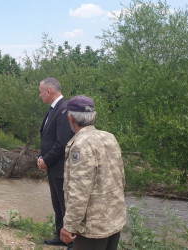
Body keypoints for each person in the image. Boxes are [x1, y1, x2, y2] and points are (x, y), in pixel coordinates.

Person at [59, 95, 126, 250]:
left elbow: (79, 191)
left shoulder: (80, 145)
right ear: (94, 116)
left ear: (71, 118)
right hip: (114, 220)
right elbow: (121, 179)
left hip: (92, 228)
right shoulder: (109, 138)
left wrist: (69, 226)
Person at [37, 77, 75, 247]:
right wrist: (42, 157)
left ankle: (72, 242)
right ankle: (60, 236)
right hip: (53, 167)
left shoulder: (64, 109)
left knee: (66, 205)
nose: (40, 95)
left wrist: (46, 160)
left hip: (61, 168)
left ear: (48, 91)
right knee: (57, 204)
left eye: (40, 92)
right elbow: (48, 137)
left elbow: (62, 142)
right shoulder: (55, 109)